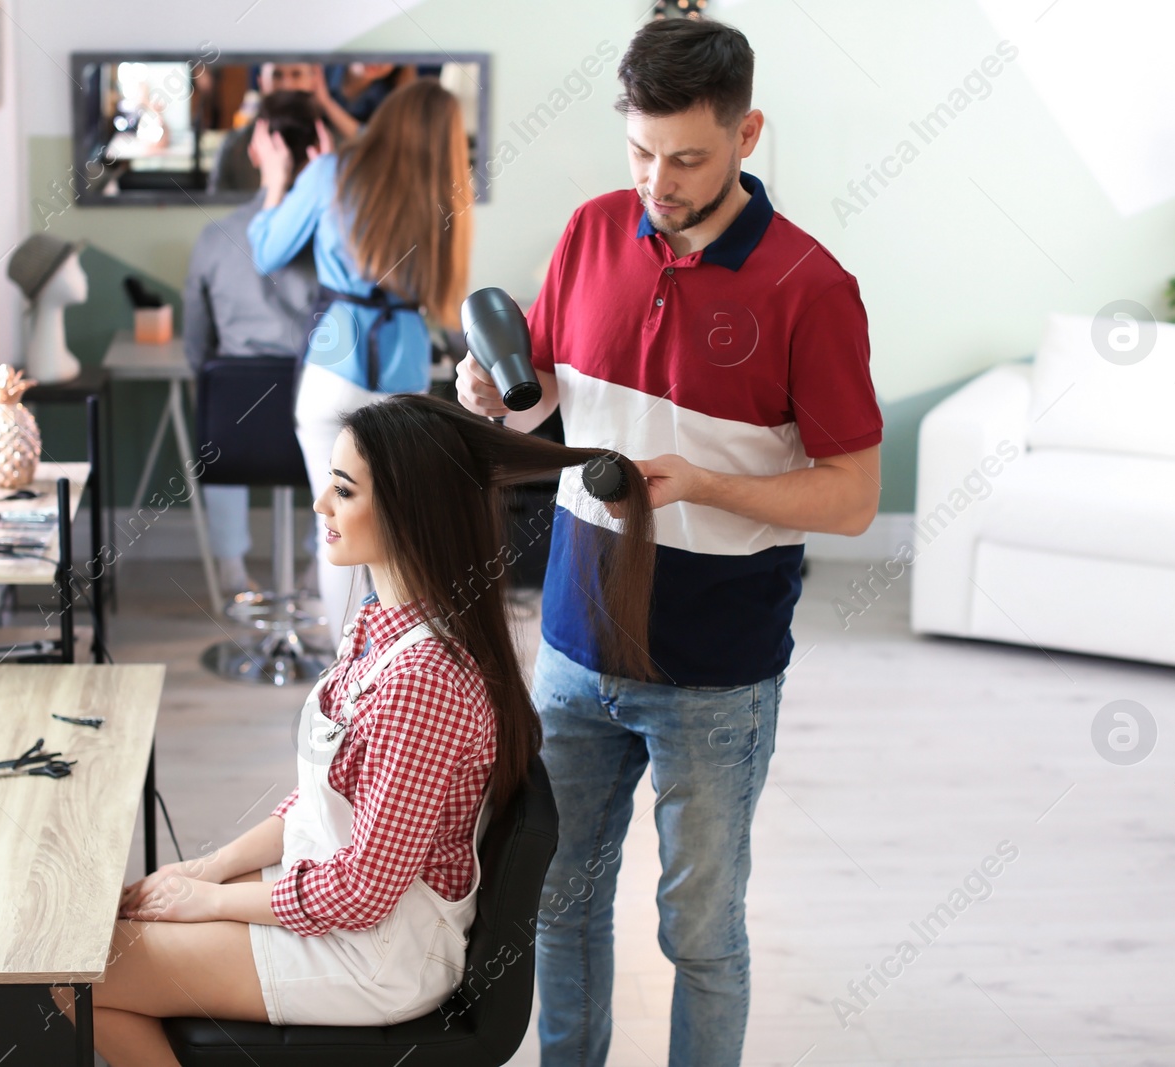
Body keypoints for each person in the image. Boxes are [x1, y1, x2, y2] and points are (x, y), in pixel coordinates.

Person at [456, 18, 884, 1067]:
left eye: (687, 158)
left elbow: (853, 499)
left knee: (696, 934)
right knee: (557, 903)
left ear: (748, 135)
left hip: (713, 673)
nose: (658, 180)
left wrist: (702, 485)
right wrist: (493, 397)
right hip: (569, 645)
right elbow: (547, 393)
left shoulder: (810, 288)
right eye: (641, 151)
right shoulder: (592, 229)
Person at [47, 393, 657, 1067]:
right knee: (98, 942)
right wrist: (206, 871)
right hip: (349, 914)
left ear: (406, 508)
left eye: (343, 490)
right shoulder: (376, 621)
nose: (320, 507)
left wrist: (208, 900)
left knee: (78, 971)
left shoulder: (423, 681)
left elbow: (362, 892)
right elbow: (321, 802)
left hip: (376, 951)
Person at [248, 77, 474, 638]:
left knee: (338, 529)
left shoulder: (331, 174)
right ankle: (396, 671)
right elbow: (446, 304)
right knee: (396, 537)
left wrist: (279, 183)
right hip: (404, 372)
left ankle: (345, 679)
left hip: (333, 366)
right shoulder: (447, 199)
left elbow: (266, 250)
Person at [184, 91, 324, 595]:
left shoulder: (215, 236)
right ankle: (316, 569)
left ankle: (231, 567)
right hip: (309, 401)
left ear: (255, 150)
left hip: (235, 415)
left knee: (217, 409)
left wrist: (208, 373)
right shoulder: (329, 236)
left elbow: (195, 339)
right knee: (339, 436)